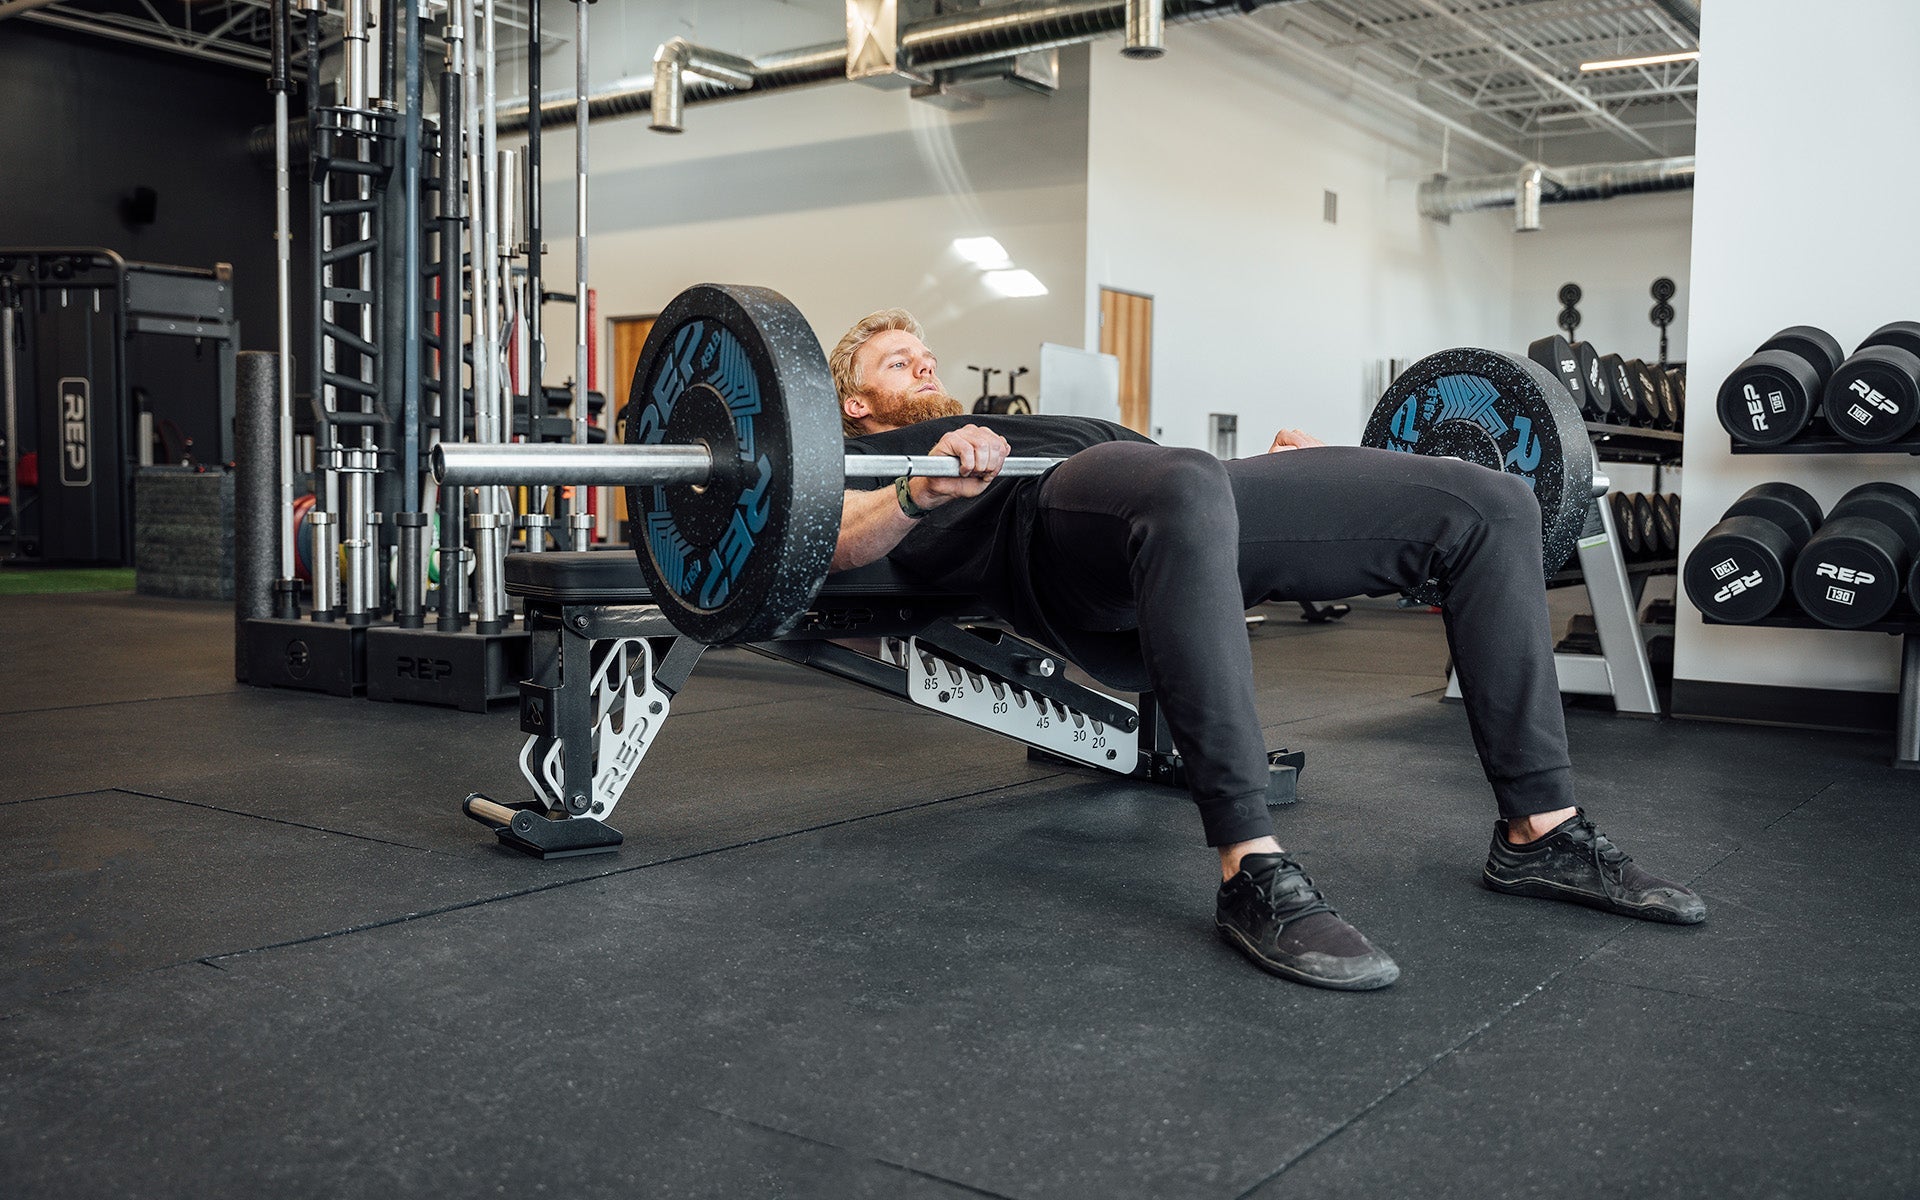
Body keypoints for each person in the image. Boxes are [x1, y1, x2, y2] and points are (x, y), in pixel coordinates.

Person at [828, 308, 1705, 991]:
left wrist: (1273, 471)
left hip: (1166, 484)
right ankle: (1251, 866)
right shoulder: (859, 461)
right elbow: (829, 548)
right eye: (897, 362)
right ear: (852, 403)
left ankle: (1538, 829)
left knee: (1491, 503)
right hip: (1048, 529)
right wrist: (914, 489)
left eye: (927, 354)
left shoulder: (991, 422)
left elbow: (1175, 492)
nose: (925, 367)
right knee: (1183, 477)